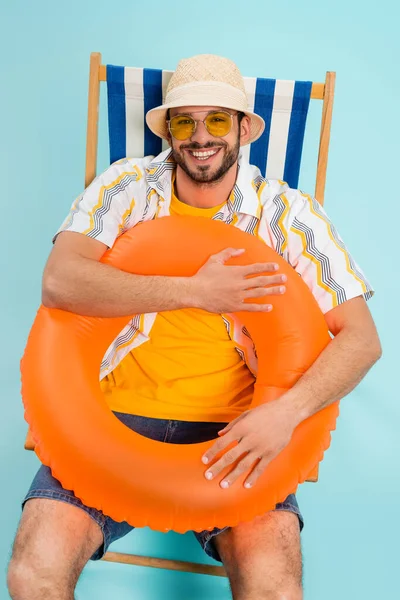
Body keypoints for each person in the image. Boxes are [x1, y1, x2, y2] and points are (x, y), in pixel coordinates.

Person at [7, 54, 381, 600]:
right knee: (31, 575)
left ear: (243, 129)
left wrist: (287, 414)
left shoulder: (287, 215)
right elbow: (60, 280)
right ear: (170, 131)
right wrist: (194, 292)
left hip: (237, 435)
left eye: (217, 120)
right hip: (110, 419)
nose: (200, 137)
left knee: (275, 589)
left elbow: (363, 341)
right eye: (184, 121)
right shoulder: (127, 187)